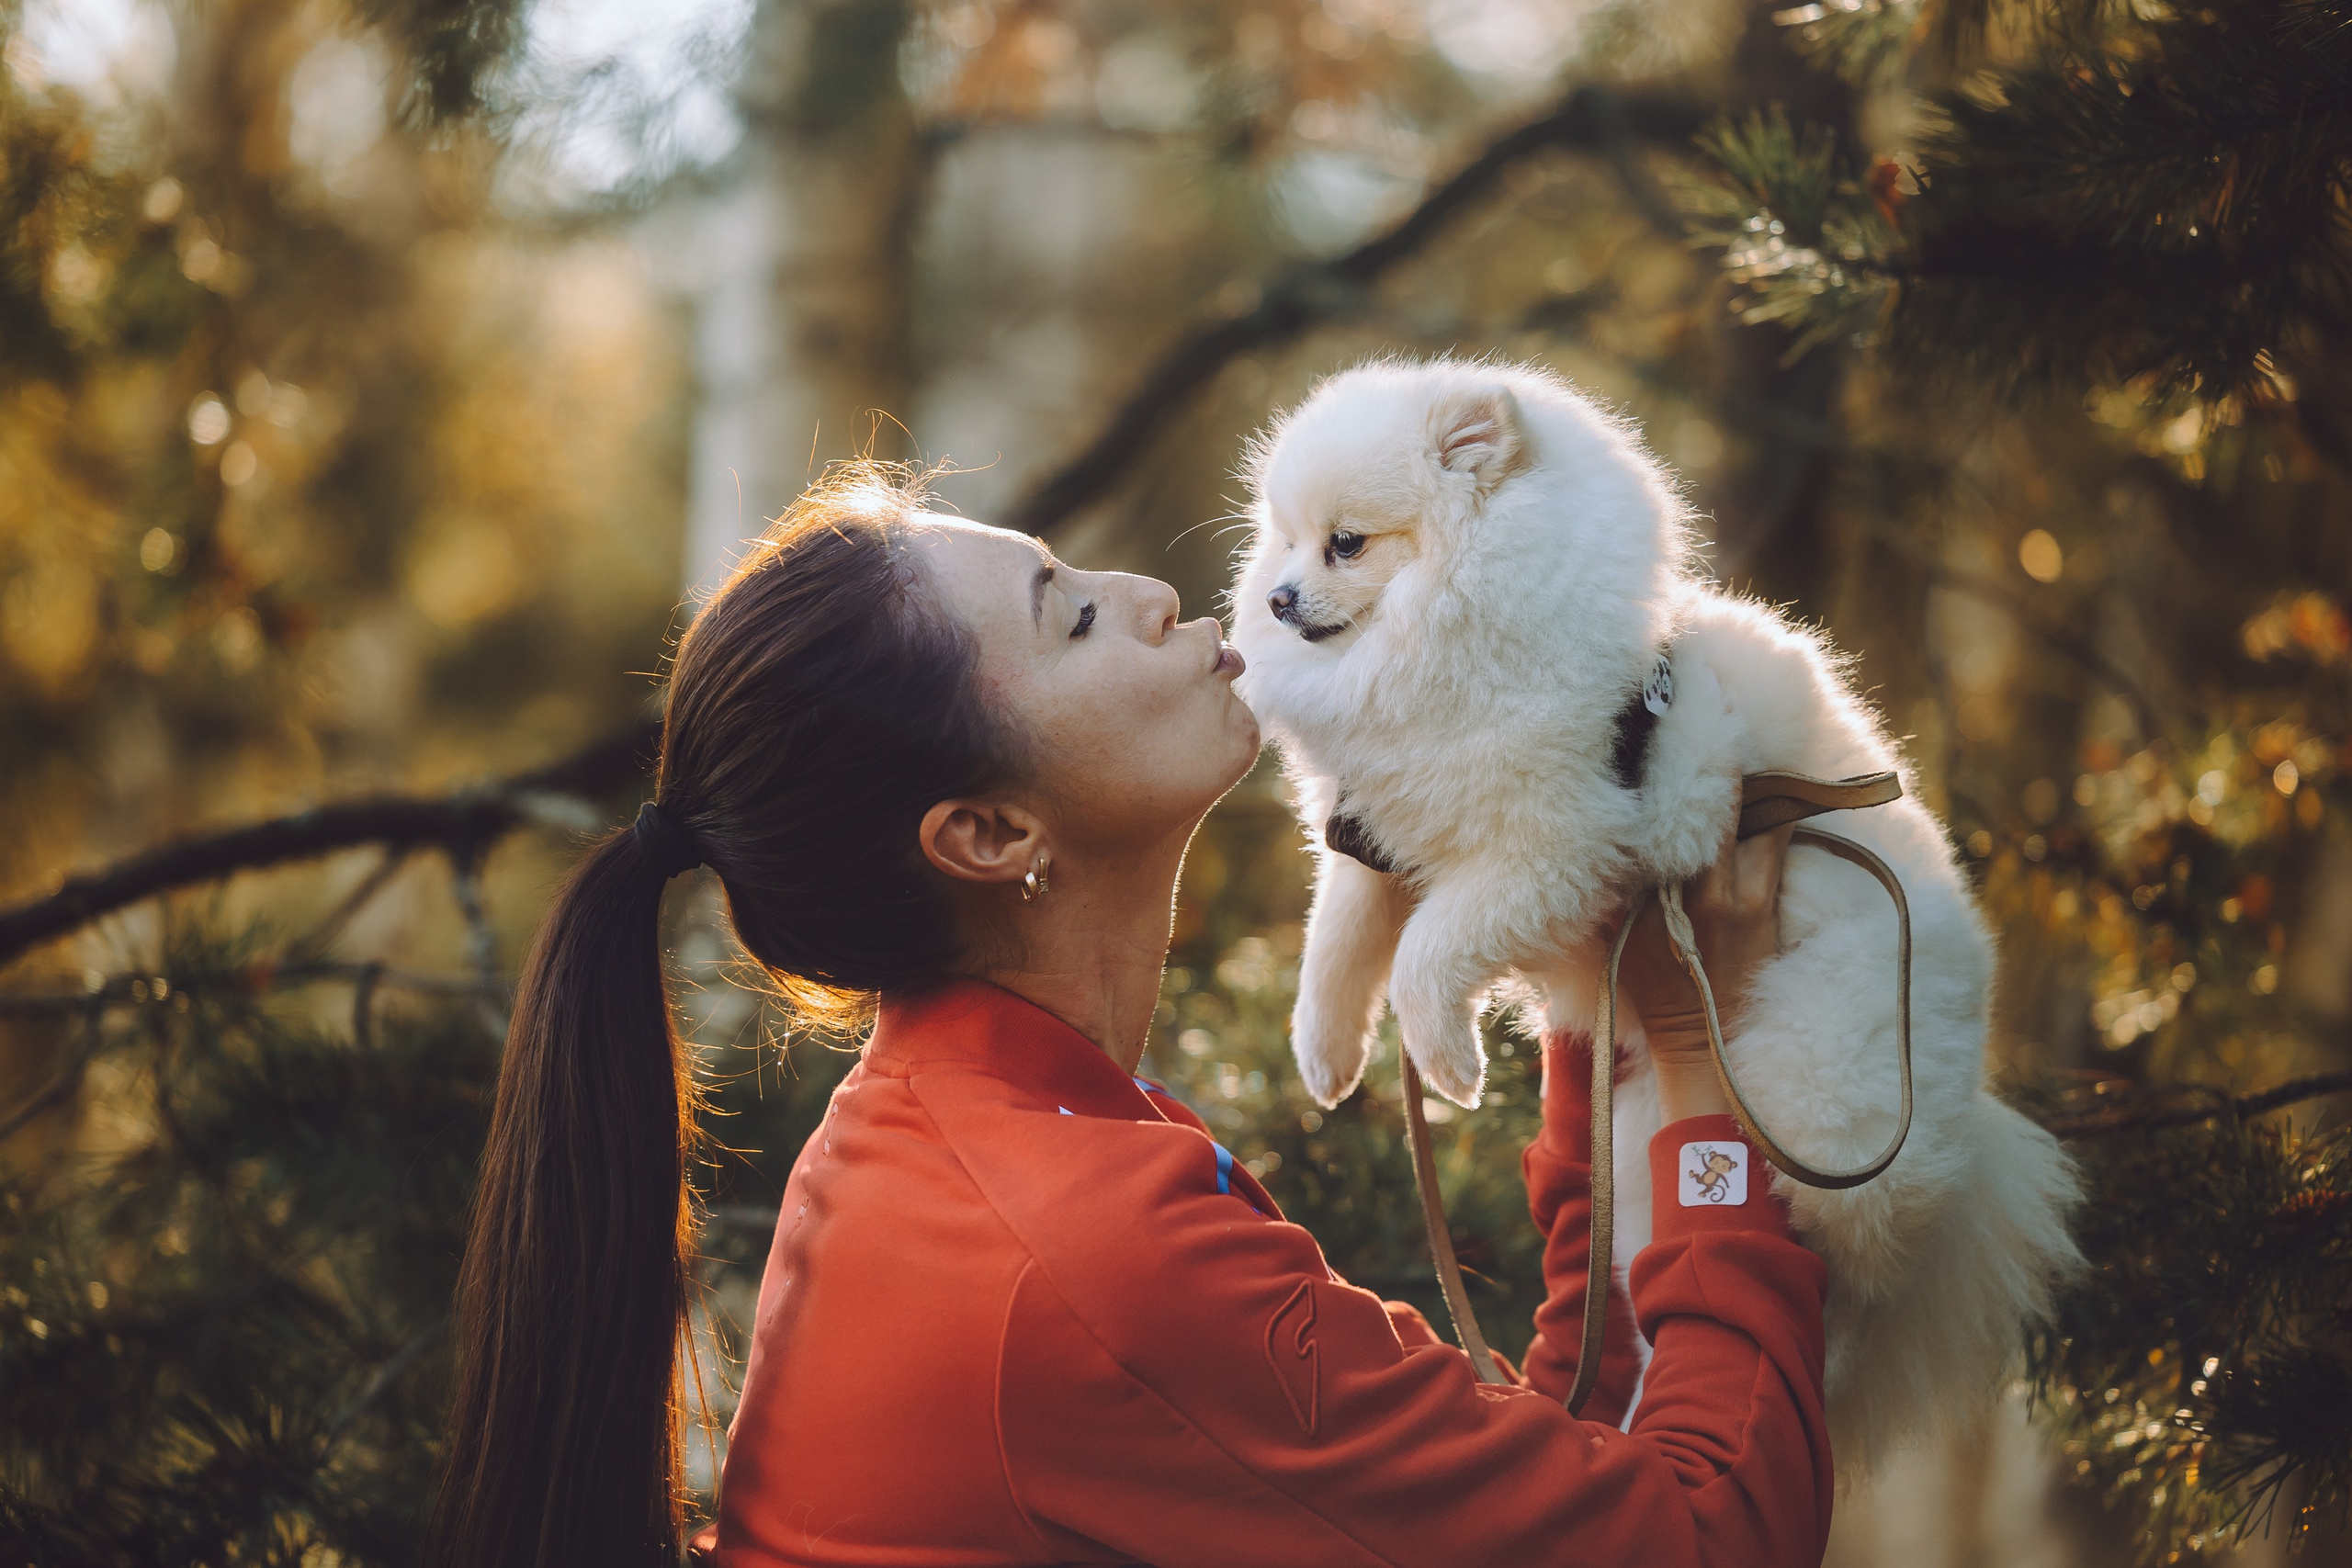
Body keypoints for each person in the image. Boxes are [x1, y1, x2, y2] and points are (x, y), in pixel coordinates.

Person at [426, 463, 1827, 1568]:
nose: (1154, 592)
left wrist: (1605, 1026)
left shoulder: (1000, 1133)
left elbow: (1537, 1505)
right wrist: (1701, 1070)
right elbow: (1704, 1541)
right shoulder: (1083, 1248)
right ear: (985, 831)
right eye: (1072, 615)